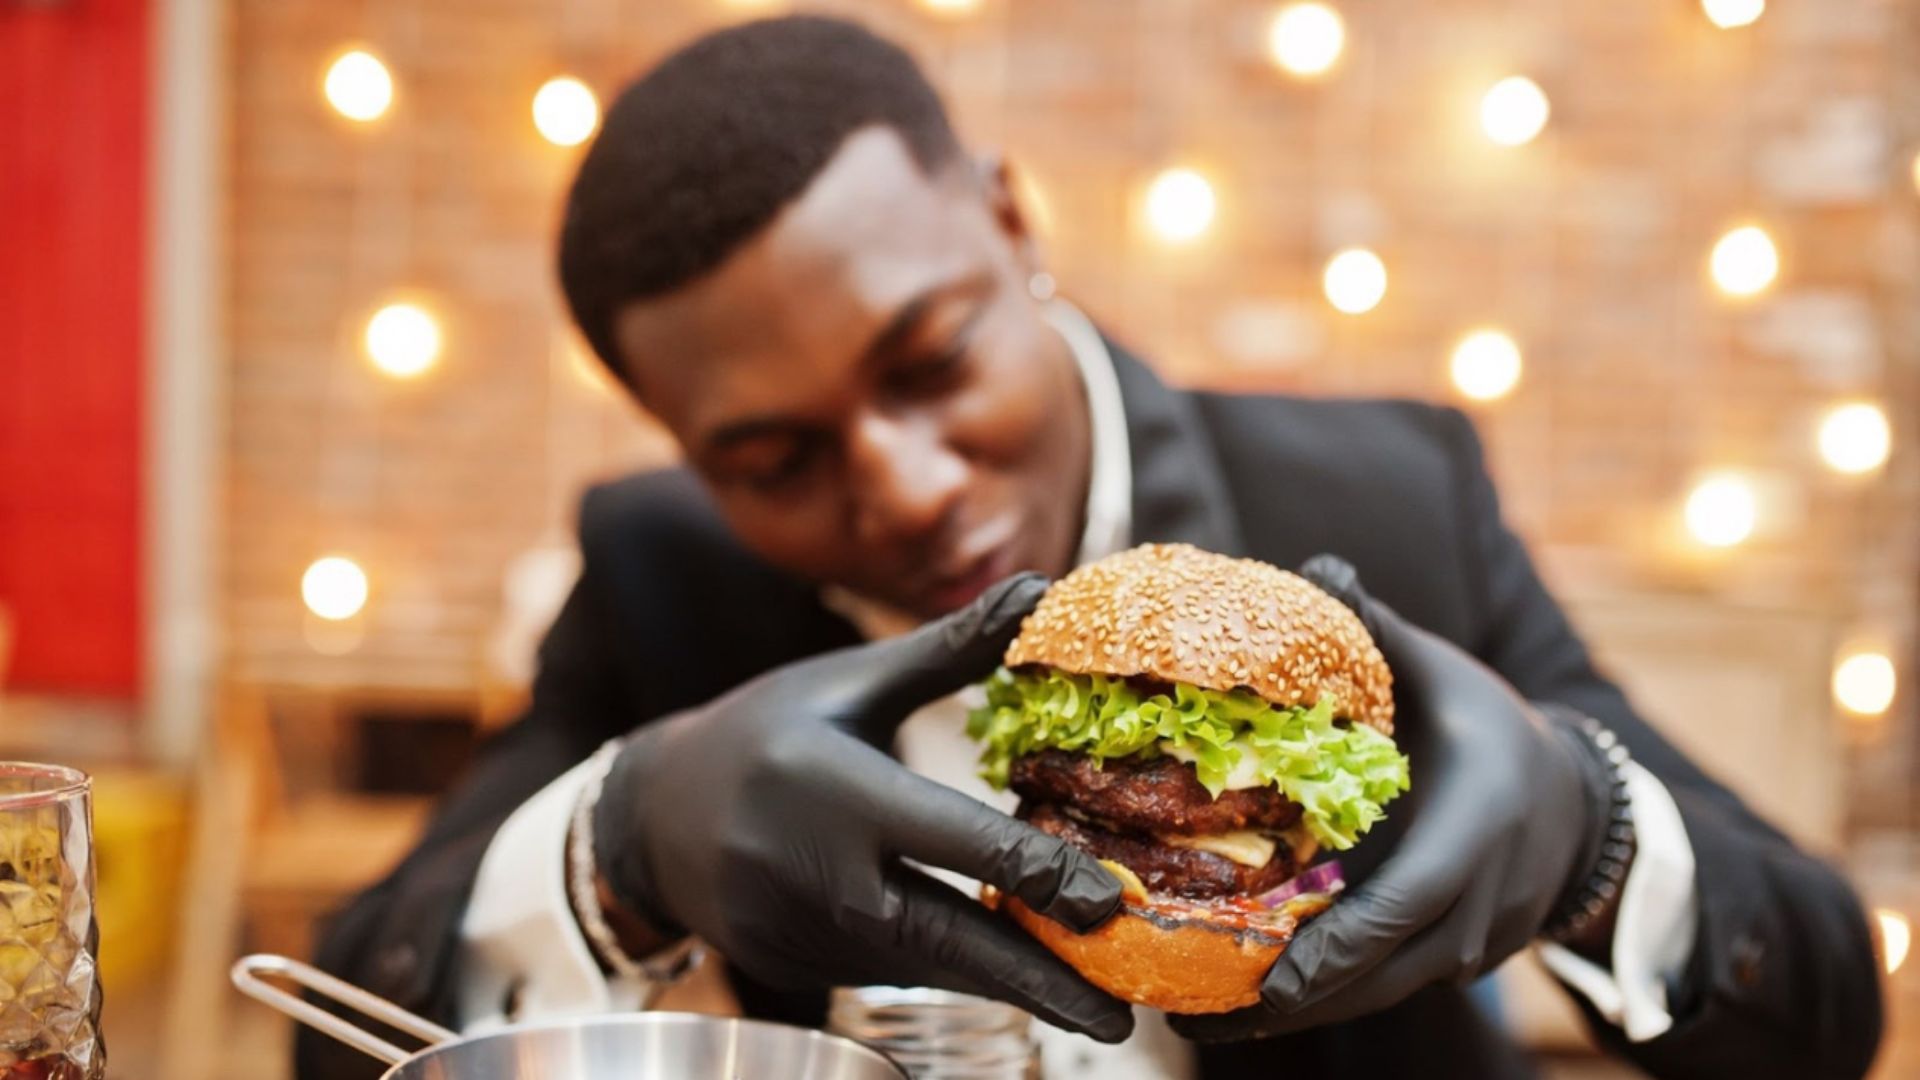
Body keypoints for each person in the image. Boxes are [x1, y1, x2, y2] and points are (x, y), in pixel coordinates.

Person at [299, 16, 1882, 1079]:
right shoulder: (662, 573)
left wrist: (1592, 841)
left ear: (1010, 222)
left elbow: (1823, 1001)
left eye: (930, 361)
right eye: (774, 458)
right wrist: (618, 847)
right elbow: (340, 1021)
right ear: (676, 443)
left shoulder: (1387, 497)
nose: (908, 488)